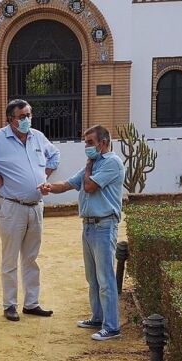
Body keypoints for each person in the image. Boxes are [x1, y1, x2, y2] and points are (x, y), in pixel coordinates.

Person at [0, 99, 59, 322]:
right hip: (11, 207)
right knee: (10, 259)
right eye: (22, 116)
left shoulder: (37, 137)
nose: (27, 120)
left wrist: (44, 176)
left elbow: (55, 155)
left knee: (31, 258)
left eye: (29, 115)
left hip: (35, 207)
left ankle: (32, 303)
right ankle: (10, 305)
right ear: (10, 119)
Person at [39, 125, 126, 341]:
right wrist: (49, 187)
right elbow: (68, 184)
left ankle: (112, 327)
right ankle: (97, 318)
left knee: (105, 278)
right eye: (85, 142)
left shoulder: (111, 163)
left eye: (90, 142)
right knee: (93, 277)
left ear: (103, 143)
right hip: (89, 225)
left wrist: (88, 167)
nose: (86, 146)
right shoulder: (94, 164)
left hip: (104, 225)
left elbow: (88, 186)